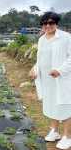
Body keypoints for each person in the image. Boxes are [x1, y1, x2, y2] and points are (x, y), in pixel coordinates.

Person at [29, 11, 71, 149]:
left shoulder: (66, 37)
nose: (48, 25)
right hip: (47, 80)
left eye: (51, 22)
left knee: (65, 106)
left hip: (62, 79)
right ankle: (54, 131)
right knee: (51, 104)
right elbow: (40, 60)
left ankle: (67, 136)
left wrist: (59, 70)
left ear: (56, 23)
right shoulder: (41, 39)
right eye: (45, 23)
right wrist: (34, 69)